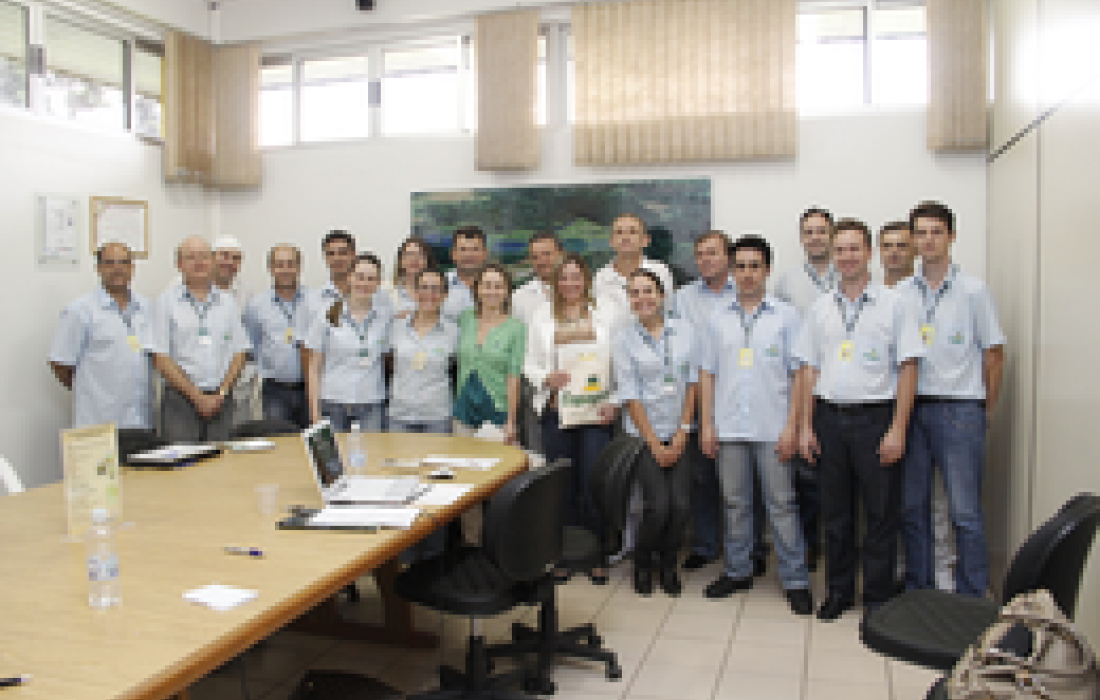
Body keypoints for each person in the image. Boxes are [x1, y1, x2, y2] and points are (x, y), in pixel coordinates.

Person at [794, 219, 924, 621]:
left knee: (881, 515)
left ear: (868, 253)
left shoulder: (895, 303)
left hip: (876, 419)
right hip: (830, 419)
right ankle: (839, 592)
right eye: (841, 250)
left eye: (854, 248)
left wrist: (898, 428)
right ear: (833, 257)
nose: (847, 256)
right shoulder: (820, 308)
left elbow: (908, 368)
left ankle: (879, 599)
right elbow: (809, 370)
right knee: (836, 515)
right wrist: (805, 426)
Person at [698, 235, 812, 614]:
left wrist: (793, 427)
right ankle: (737, 570)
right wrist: (708, 426)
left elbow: (800, 374)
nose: (747, 274)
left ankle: (796, 580)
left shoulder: (786, 316)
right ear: (733, 271)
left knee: (782, 504)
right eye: (741, 266)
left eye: (755, 266)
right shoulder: (718, 319)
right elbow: (708, 375)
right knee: (735, 505)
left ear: (767, 270)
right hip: (729, 428)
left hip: (773, 427)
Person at [898, 201, 1005, 597]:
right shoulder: (901, 294)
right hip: (912, 410)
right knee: (913, 507)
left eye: (936, 232)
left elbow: (994, 355)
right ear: (913, 240)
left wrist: (984, 409)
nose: (928, 240)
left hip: (960, 409)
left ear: (952, 237)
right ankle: (919, 587)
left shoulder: (974, 292)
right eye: (921, 233)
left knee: (964, 511)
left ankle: (973, 594)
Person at [525, 253, 617, 583]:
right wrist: (546, 378)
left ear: (586, 280)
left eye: (576, 277)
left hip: (595, 414)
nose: (570, 283)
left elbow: (616, 363)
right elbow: (530, 363)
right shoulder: (541, 317)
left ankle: (594, 555)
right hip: (557, 412)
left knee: (594, 485)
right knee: (561, 486)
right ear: (555, 282)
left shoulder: (604, 314)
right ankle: (561, 553)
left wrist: (614, 401)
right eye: (564, 277)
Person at [614, 270, 699, 597]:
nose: (642, 298)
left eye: (647, 290)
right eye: (634, 293)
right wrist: (653, 442)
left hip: (680, 431)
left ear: (662, 295)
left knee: (680, 506)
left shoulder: (686, 332)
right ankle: (643, 563)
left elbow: (693, 383)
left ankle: (668, 566)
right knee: (657, 507)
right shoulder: (624, 340)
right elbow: (630, 396)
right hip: (642, 435)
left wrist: (682, 431)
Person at [672, 231, 746, 573]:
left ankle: (748, 549)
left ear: (727, 257)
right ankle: (704, 544)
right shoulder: (683, 298)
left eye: (712, 253)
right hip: (696, 394)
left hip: (736, 395)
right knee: (701, 477)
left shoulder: (745, 291)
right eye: (700, 254)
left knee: (742, 481)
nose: (705, 260)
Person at [771, 207, 837, 570]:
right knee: (806, 477)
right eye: (808, 232)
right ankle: (809, 545)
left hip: (842, 388)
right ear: (801, 238)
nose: (815, 237)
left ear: (831, 235)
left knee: (840, 478)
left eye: (821, 231)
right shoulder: (787, 282)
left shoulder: (848, 276)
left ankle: (841, 549)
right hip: (802, 386)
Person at [150, 237, 251, 442]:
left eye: (204, 256)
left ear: (212, 261)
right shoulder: (165, 303)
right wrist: (197, 397)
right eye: (191, 257)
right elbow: (160, 358)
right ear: (179, 265)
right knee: (183, 468)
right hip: (180, 401)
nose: (199, 262)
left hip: (221, 400)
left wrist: (221, 393)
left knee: (221, 466)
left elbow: (240, 352)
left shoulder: (227, 303)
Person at [48, 242, 153, 430]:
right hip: (98, 422)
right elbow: (60, 364)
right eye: (109, 263)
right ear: (98, 268)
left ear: (132, 268)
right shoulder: (80, 311)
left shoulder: (147, 308)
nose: (117, 268)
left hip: (141, 422)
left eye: (123, 262)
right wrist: (93, 391)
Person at [304, 254, 392, 432]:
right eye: (360, 277)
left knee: (371, 457)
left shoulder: (385, 317)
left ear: (378, 283)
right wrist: (314, 415)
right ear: (350, 277)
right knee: (335, 458)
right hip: (332, 403)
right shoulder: (328, 314)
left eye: (371, 279)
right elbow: (313, 367)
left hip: (371, 404)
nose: (365, 283)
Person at [454, 263, 525, 444]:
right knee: (462, 467)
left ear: (507, 291)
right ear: (477, 289)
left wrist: (511, 421)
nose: (492, 291)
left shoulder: (516, 328)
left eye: (498, 286)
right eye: (486, 285)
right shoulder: (465, 319)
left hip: (497, 412)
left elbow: (514, 378)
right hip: (463, 411)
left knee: (497, 469)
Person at [243, 245, 309, 428]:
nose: (285, 270)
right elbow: (254, 344)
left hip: (311, 390)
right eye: (279, 264)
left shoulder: (315, 301)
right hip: (275, 391)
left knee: (311, 448)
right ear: (270, 268)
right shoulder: (256, 305)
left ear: (299, 267)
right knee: (280, 447)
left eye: (290, 264)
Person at [387, 269, 459, 434]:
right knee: (399, 460)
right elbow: (387, 362)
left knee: (435, 461)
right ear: (415, 292)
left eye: (436, 288)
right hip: (399, 415)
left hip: (437, 416)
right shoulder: (395, 326)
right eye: (424, 287)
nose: (429, 293)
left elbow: (456, 368)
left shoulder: (454, 332)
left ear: (445, 294)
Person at [593, 214, 674, 329]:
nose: (625, 237)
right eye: (619, 232)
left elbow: (668, 312)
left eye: (632, 232)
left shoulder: (660, 272)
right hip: (611, 345)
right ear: (611, 242)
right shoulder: (601, 277)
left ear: (645, 240)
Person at [512, 231, 564, 326]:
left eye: (547, 254)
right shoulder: (519, 298)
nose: (542, 261)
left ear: (561, 254)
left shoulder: (584, 291)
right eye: (535, 257)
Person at [443, 226, 490, 323]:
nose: (469, 254)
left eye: (475, 249)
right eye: (463, 249)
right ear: (453, 254)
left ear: (485, 253)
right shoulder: (438, 285)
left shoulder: (498, 286)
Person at [385, 235, 437, 319]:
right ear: (400, 260)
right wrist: (394, 319)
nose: (414, 259)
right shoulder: (385, 289)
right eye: (409, 254)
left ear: (427, 261)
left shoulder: (439, 290)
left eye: (420, 255)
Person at [879, 221, 917, 288]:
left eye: (902, 245)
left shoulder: (927, 293)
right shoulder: (868, 293)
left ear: (916, 251)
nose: (894, 251)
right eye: (887, 246)